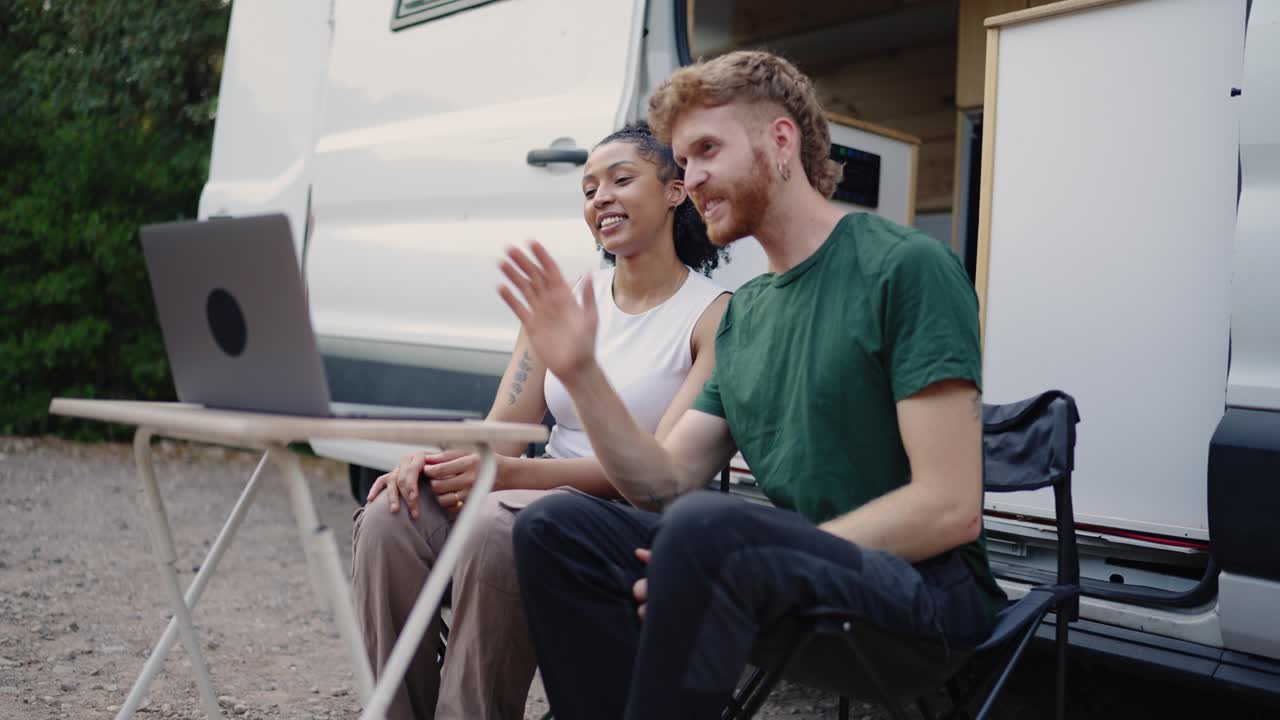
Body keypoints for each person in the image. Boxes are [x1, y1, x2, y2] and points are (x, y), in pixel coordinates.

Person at [502, 50, 1008, 719]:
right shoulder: (746, 317)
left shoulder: (904, 267)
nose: (694, 178)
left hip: (923, 600)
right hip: (792, 579)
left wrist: (747, 559)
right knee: (557, 526)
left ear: (780, 141)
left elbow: (950, 509)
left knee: (713, 529)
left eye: (708, 150)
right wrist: (581, 372)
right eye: (682, 163)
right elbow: (658, 484)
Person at [350, 123, 731, 720]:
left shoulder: (712, 316)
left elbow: (660, 477)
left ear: (675, 191)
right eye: (587, 189)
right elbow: (501, 427)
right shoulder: (568, 299)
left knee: (497, 530)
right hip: (530, 490)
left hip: (621, 515)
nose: (600, 197)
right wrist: (436, 459)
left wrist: (507, 477)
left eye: (620, 180)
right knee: (389, 517)